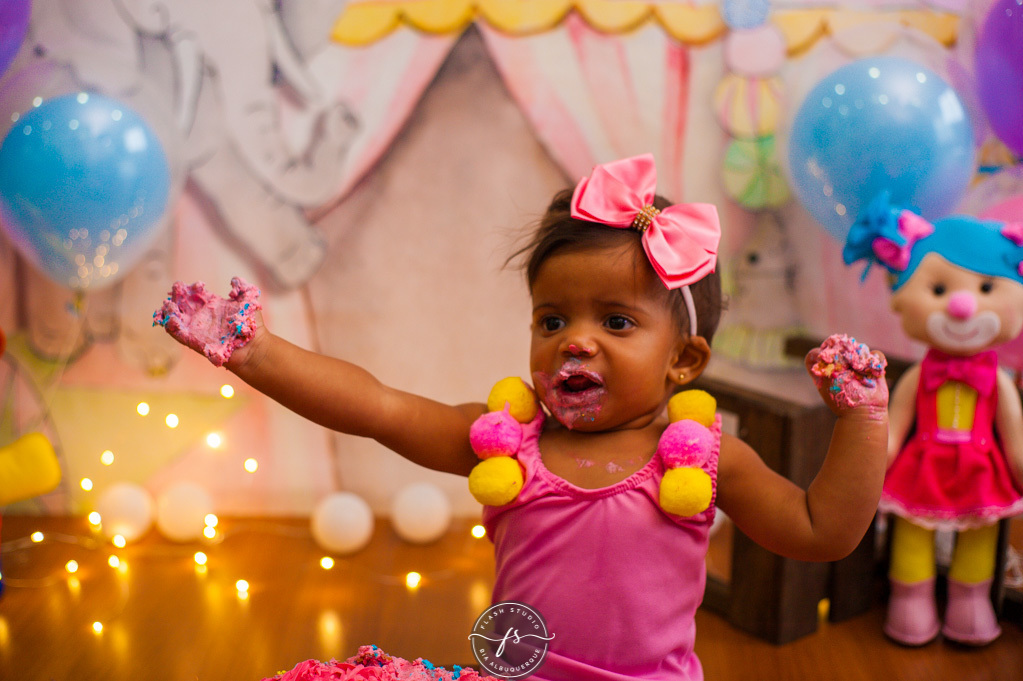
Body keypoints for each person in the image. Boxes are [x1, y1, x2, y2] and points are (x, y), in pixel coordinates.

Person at [156, 154, 889, 680]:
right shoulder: (503, 442)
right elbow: (378, 407)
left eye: (616, 321)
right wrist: (258, 353)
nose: (575, 340)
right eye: (551, 319)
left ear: (683, 360)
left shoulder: (701, 455)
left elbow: (820, 530)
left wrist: (862, 419)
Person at [844, 196, 1023, 646]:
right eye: (939, 291)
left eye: (985, 288)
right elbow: (894, 426)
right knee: (912, 531)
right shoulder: (919, 375)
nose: (961, 306)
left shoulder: (998, 381)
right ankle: (910, 600)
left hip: (981, 470)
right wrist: (872, 460)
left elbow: (1015, 436)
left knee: (980, 537)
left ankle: (970, 601)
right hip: (921, 466)